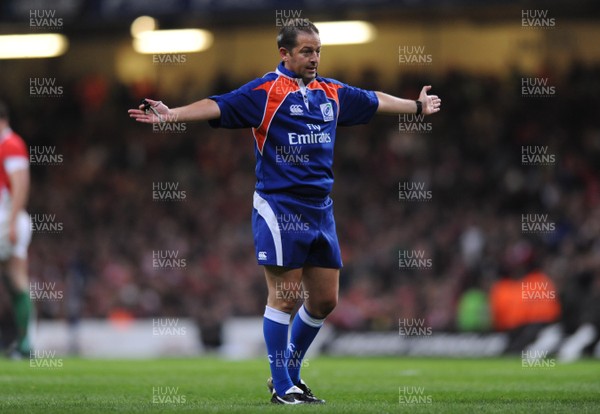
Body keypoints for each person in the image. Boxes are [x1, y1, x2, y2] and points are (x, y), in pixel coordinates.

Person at [129, 21, 441, 404]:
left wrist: (416, 106)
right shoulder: (265, 92)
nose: (314, 58)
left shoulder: (330, 92)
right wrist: (171, 114)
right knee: (285, 295)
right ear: (285, 54)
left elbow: (373, 100)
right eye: (307, 51)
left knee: (325, 300)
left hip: (321, 208)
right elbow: (218, 104)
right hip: (280, 206)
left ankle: (288, 375)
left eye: (318, 51)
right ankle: (282, 385)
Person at [0, 100, 33, 358]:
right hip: (9, 219)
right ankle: (23, 345)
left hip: (5, 220)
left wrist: (11, 222)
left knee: (17, 280)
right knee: (14, 282)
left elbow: (20, 184)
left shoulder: (10, 145)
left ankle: (24, 344)